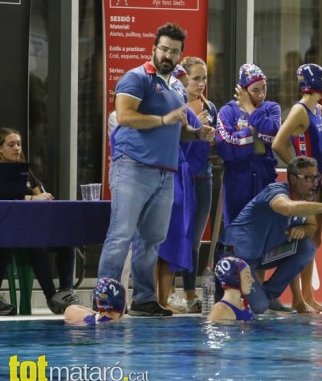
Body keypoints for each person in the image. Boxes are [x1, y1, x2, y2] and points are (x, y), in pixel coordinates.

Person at [98, 23, 214, 317]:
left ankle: (144, 298)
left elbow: (179, 130)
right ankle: (105, 298)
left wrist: (197, 134)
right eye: (164, 48)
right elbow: (124, 116)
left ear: (179, 54)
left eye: (174, 51)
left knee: (152, 240)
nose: (168, 55)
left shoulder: (176, 85)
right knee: (121, 235)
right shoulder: (136, 78)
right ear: (154, 48)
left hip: (166, 171)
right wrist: (164, 120)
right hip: (132, 167)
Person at [219, 156, 322, 314]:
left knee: (307, 247)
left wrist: (303, 230)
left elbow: (312, 226)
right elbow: (287, 208)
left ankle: (268, 295)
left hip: (260, 257)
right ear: (293, 179)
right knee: (258, 308)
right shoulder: (276, 191)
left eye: (316, 177)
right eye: (309, 178)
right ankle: (255, 299)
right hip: (233, 257)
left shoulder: (305, 201)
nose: (315, 183)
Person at [0, 127, 82, 315]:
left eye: (19, 144)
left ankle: (65, 290)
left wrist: (44, 197)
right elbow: (6, 199)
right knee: (33, 242)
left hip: (33, 225)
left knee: (67, 239)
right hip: (8, 228)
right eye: (11, 144)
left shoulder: (25, 172)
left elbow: (39, 195)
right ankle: (51, 296)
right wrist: (31, 199)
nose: (17, 148)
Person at [156, 63, 216, 312]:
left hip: (197, 178)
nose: (200, 84)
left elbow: (211, 145)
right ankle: (161, 296)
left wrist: (205, 134)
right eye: (195, 79)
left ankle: (176, 295)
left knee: (186, 239)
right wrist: (198, 131)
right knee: (164, 238)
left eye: (204, 79)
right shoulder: (174, 111)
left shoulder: (209, 108)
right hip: (177, 174)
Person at [272, 63, 322, 313]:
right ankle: (296, 298)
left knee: (313, 237)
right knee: (299, 238)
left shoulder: (317, 109)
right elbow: (278, 143)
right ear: (317, 82)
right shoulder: (300, 109)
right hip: (302, 184)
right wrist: (296, 169)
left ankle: (307, 295)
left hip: (314, 181)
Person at [215, 63, 281, 229]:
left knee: (265, 232)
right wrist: (254, 134)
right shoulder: (227, 111)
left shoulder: (272, 108)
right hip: (237, 181)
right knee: (237, 232)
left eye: (264, 88)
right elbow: (225, 147)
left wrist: (250, 109)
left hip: (265, 178)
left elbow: (274, 135)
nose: (261, 94)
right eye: (255, 90)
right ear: (243, 90)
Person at [207, 256, 255, 322]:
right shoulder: (220, 311)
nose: (252, 280)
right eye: (247, 276)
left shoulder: (244, 305)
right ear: (234, 279)